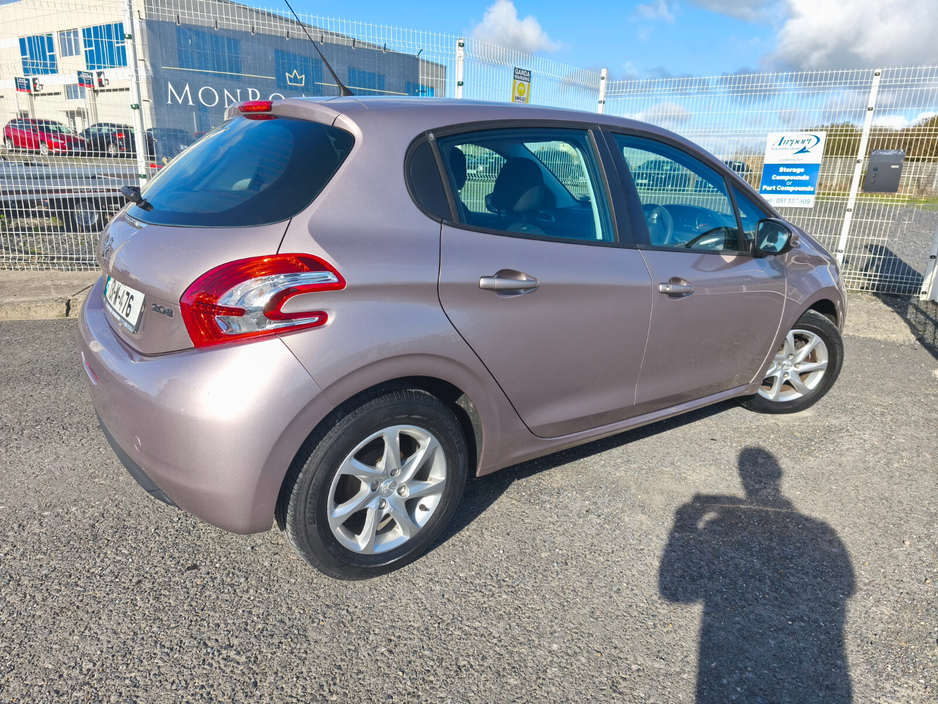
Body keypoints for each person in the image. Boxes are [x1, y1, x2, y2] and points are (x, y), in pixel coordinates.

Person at [659, 447, 855, 703]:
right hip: (819, 665)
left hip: (730, 659)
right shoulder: (820, 529)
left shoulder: (718, 526)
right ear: (779, 476)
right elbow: (847, 585)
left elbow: (676, 592)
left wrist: (684, 520)